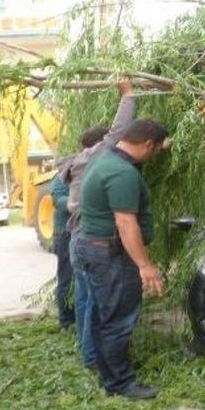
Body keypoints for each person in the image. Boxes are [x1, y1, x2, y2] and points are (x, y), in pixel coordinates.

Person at [74, 119, 170, 399]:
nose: (155, 156)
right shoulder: (121, 172)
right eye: (156, 150)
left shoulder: (105, 157)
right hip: (111, 255)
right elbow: (126, 222)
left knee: (103, 315)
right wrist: (145, 266)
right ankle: (120, 383)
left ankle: (108, 373)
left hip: (94, 248)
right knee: (118, 320)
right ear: (148, 144)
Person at [60, 80, 138, 371]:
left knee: (85, 297)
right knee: (97, 300)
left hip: (76, 237)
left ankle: (87, 351)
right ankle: (94, 358)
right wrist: (128, 95)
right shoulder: (97, 156)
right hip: (90, 236)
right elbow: (119, 132)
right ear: (97, 146)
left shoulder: (77, 162)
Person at [50, 162, 75, 330]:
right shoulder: (61, 177)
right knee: (67, 277)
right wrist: (83, 201)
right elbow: (59, 201)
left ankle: (76, 317)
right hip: (65, 234)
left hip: (77, 233)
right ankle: (66, 320)